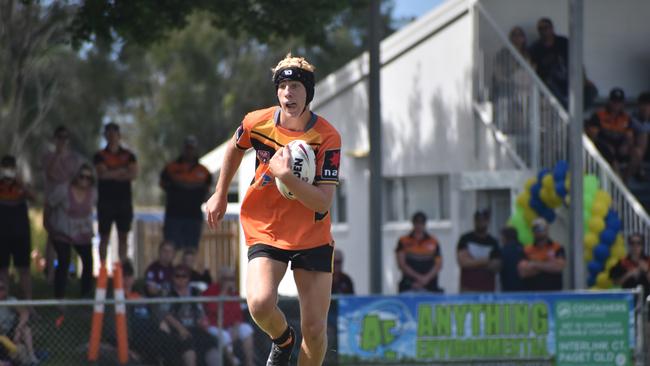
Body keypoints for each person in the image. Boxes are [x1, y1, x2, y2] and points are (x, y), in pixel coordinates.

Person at [205, 53, 341, 366]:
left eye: (295, 86)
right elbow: (234, 148)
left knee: (316, 329)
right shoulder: (257, 121)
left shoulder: (328, 137)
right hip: (267, 227)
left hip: (313, 235)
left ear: (309, 92)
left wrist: (286, 176)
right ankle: (283, 340)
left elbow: (323, 201)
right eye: (282, 86)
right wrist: (220, 192)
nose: (288, 93)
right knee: (260, 303)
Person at [47, 163, 96, 299]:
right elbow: (49, 204)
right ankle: (59, 298)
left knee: (88, 262)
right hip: (63, 232)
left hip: (82, 233)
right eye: (82, 176)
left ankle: (86, 296)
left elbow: (90, 213)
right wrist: (47, 224)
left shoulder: (92, 193)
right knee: (64, 261)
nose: (85, 180)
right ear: (76, 176)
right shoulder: (63, 190)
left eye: (88, 177)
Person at [42, 126, 83, 284]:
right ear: (55, 139)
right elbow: (50, 173)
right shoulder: (48, 157)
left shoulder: (75, 159)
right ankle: (50, 273)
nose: (62, 141)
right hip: (52, 201)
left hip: (68, 203)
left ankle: (66, 272)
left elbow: (76, 178)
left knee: (69, 238)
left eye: (65, 138)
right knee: (52, 236)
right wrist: (58, 156)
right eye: (59, 137)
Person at [120, 260, 180, 366]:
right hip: (135, 336)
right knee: (153, 349)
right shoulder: (116, 299)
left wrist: (161, 323)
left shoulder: (140, 296)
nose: (126, 279)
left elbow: (153, 312)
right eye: (123, 276)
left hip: (152, 331)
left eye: (129, 276)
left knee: (171, 341)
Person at [93, 122, 137, 262]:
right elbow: (101, 174)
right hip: (105, 202)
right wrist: (122, 171)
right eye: (109, 134)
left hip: (124, 202)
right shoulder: (100, 155)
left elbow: (133, 174)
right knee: (104, 236)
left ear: (119, 136)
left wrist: (111, 172)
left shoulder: (129, 155)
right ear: (105, 136)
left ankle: (122, 267)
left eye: (114, 134)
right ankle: (103, 268)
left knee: (123, 236)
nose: (112, 137)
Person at [529, 17, 597, 108]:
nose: (543, 31)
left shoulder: (563, 42)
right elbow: (533, 69)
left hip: (570, 81)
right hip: (552, 85)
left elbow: (577, 61)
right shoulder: (535, 48)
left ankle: (574, 115)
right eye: (540, 29)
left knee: (592, 90)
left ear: (552, 28)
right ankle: (568, 115)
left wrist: (584, 79)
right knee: (550, 87)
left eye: (546, 27)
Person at [160, 136, 212, 250]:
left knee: (191, 251)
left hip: (193, 217)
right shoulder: (171, 168)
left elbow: (208, 193)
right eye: (187, 148)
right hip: (174, 216)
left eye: (192, 148)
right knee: (170, 249)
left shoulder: (204, 172)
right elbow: (163, 185)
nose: (189, 151)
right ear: (183, 149)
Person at [164, 265, 220, 366]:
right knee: (187, 343)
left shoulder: (195, 292)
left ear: (188, 278)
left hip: (196, 328)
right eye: (177, 276)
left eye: (184, 276)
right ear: (173, 278)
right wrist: (181, 329)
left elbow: (201, 311)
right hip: (177, 331)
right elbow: (166, 314)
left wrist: (203, 321)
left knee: (212, 342)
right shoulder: (169, 293)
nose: (180, 279)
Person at [203, 267, 255, 366]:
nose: (229, 282)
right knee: (225, 336)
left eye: (231, 279)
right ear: (220, 279)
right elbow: (213, 310)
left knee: (246, 329)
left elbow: (238, 315)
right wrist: (223, 292)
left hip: (230, 326)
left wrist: (236, 327)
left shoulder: (234, 293)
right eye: (226, 279)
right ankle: (233, 362)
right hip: (214, 326)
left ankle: (250, 363)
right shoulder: (210, 291)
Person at [0, 155, 34, 300]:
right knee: (3, 269)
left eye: (11, 167)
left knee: (24, 269)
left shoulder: (21, 185)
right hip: (2, 233)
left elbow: (34, 197)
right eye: (5, 167)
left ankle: (30, 304)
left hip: (21, 232)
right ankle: (4, 305)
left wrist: (21, 183)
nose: (8, 171)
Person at [585, 88, 634, 178]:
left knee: (636, 152)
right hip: (603, 147)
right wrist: (606, 146)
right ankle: (619, 183)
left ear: (623, 103)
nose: (616, 105)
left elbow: (629, 136)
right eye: (614, 101)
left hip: (619, 147)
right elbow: (593, 136)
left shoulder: (626, 118)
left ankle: (625, 180)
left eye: (619, 102)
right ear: (609, 101)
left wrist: (626, 145)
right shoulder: (599, 115)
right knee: (610, 153)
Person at [395, 212, 443, 293]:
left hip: (430, 285)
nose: (419, 226)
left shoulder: (433, 241)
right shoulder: (403, 241)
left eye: (421, 223)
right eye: (417, 222)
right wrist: (418, 278)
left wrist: (426, 279)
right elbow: (402, 264)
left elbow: (438, 265)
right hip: (409, 284)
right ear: (413, 223)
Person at [456, 209, 501, 292]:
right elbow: (463, 262)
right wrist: (487, 260)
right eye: (478, 220)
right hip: (468, 289)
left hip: (487, 290)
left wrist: (472, 261)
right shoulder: (465, 238)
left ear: (488, 221)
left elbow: (496, 266)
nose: (480, 223)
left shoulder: (493, 242)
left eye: (483, 220)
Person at [517, 218, 566, 291]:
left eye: (540, 228)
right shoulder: (526, 249)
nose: (537, 231)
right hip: (532, 294)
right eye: (535, 228)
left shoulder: (557, 247)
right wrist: (549, 265)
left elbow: (558, 267)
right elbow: (523, 272)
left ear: (547, 229)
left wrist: (534, 264)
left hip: (554, 293)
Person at [0, 279, 39, 365]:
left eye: (2, 288)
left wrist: (18, 328)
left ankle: (32, 356)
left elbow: (25, 313)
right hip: (1, 336)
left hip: (11, 331)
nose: (1, 291)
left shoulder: (10, 301)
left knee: (26, 329)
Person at [630, 92, 650, 180]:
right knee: (643, 133)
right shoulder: (633, 116)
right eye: (643, 104)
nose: (645, 108)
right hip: (637, 148)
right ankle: (639, 169)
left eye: (648, 105)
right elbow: (641, 128)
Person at [499, 227, 525, 292]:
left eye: (502, 237)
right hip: (524, 289)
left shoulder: (503, 251)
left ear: (505, 237)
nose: (501, 239)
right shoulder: (524, 249)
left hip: (508, 290)